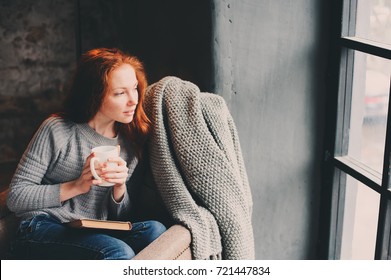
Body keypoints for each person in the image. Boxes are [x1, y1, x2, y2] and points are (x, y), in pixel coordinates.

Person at [6, 48, 166, 259]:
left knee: (156, 231)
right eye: (120, 93)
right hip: (42, 226)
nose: (133, 100)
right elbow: (16, 197)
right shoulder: (58, 129)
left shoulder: (130, 140)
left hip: (91, 230)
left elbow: (122, 216)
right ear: (95, 94)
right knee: (118, 251)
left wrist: (119, 188)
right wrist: (76, 186)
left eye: (134, 88)